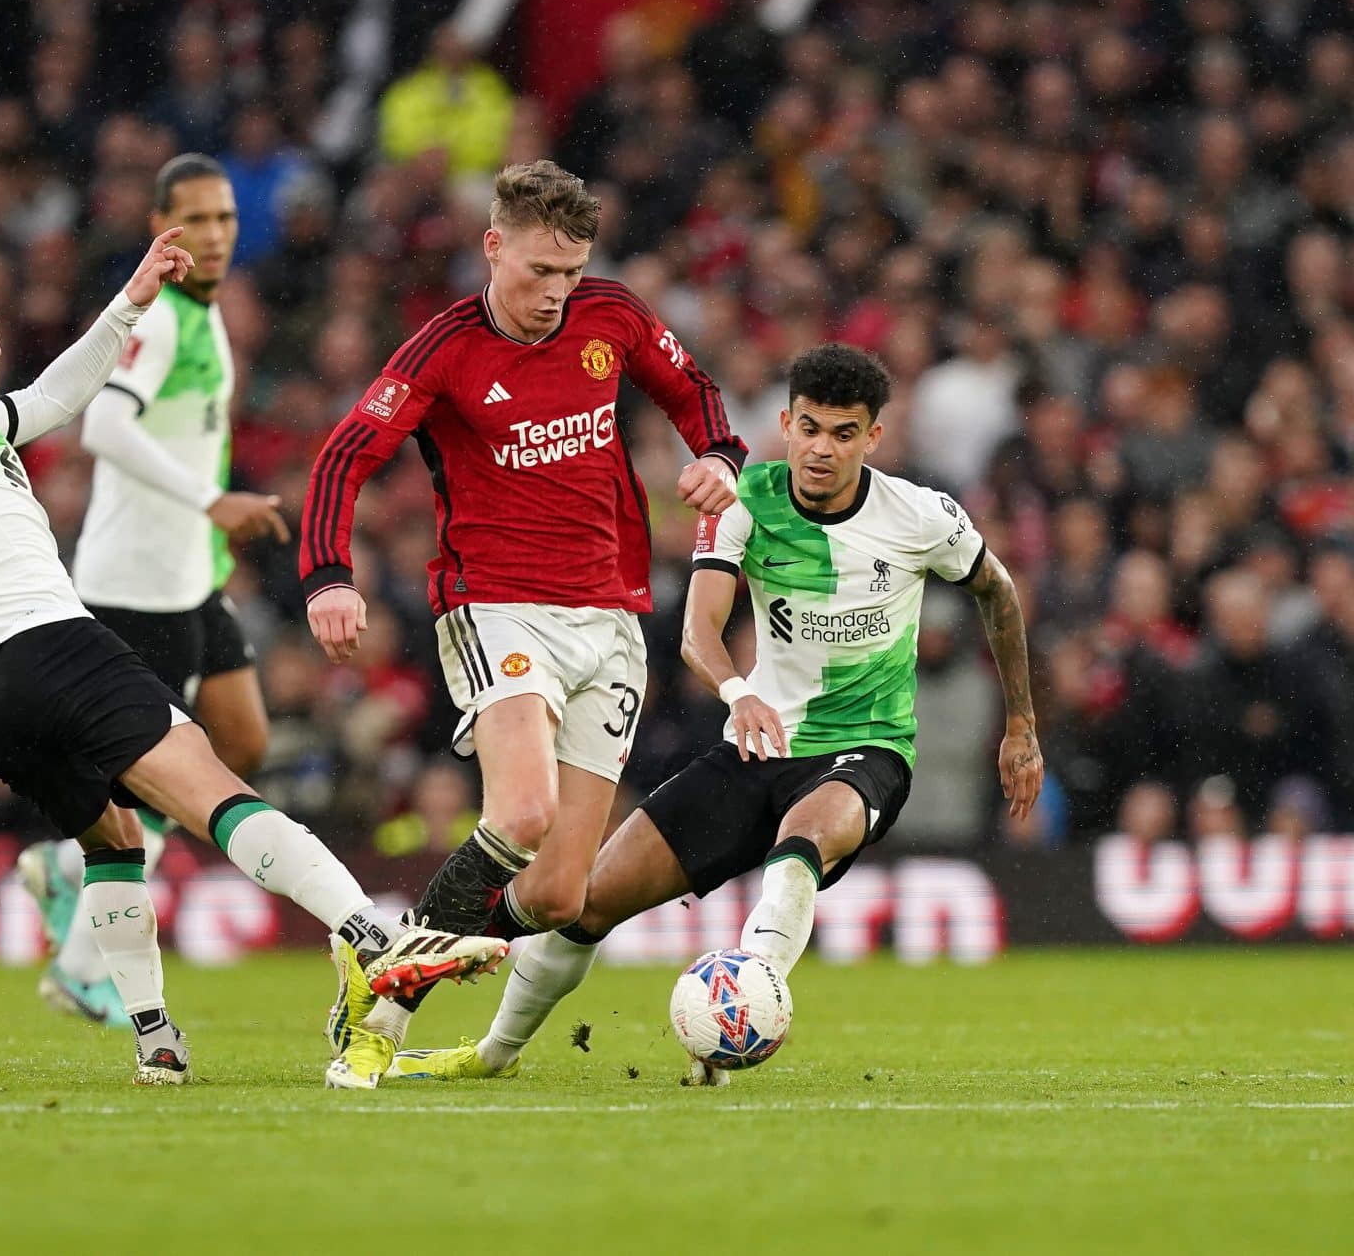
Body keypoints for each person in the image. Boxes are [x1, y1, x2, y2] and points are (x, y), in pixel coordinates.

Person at [0, 245, 506, 1087]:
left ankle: (155, 1037)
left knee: (115, 836)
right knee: (212, 786)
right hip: (46, 641)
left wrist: (127, 304)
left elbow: (56, 396)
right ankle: (373, 936)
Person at [387, 343, 1043, 1085]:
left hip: (866, 750)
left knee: (803, 840)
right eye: (810, 428)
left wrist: (1021, 721)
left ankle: (741, 1008)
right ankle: (490, 1054)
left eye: (843, 433)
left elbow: (999, 590)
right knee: (586, 901)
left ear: (873, 438)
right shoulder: (745, 501)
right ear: (788, 423)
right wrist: (738, 691)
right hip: (755, 745)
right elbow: (700, 630)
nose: (822, 449)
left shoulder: (921, 515)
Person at [299, 159, 745, 1089]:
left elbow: (694, 392)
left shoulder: (612, 317)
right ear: (493, 246)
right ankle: (382, 1015)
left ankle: (385, 950)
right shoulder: (443, 349)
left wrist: (717, 456)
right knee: (524, 812)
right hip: (497, 603)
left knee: (555, 893)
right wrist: (329, 576)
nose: (556, 293)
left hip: (612, 617)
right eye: (540, 271)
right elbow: (344, 455)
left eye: (572, 272)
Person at [18, 153, 290, 1027]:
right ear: (160, 226)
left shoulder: (206, 317)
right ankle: (79, 962)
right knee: (156, 781)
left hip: (190, 575)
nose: (214, 236)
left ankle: (63, 872)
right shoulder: (165, 319)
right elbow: (102, 423)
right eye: (196, 220)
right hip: (138, 584)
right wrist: (214, 500)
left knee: (241, 736)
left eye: (226, 220)